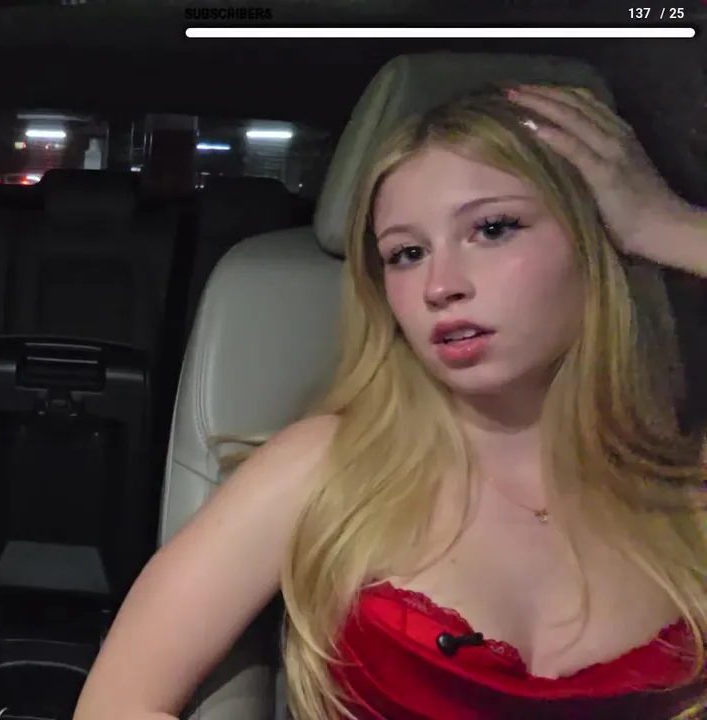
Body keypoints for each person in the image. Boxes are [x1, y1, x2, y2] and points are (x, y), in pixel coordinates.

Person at [73, 85, 707, 719]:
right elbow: (114, 704)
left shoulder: (685, 489)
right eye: (406, 254)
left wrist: (667, 226)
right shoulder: (327, 467)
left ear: (595, 242)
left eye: (492, 229)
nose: (439, 286)